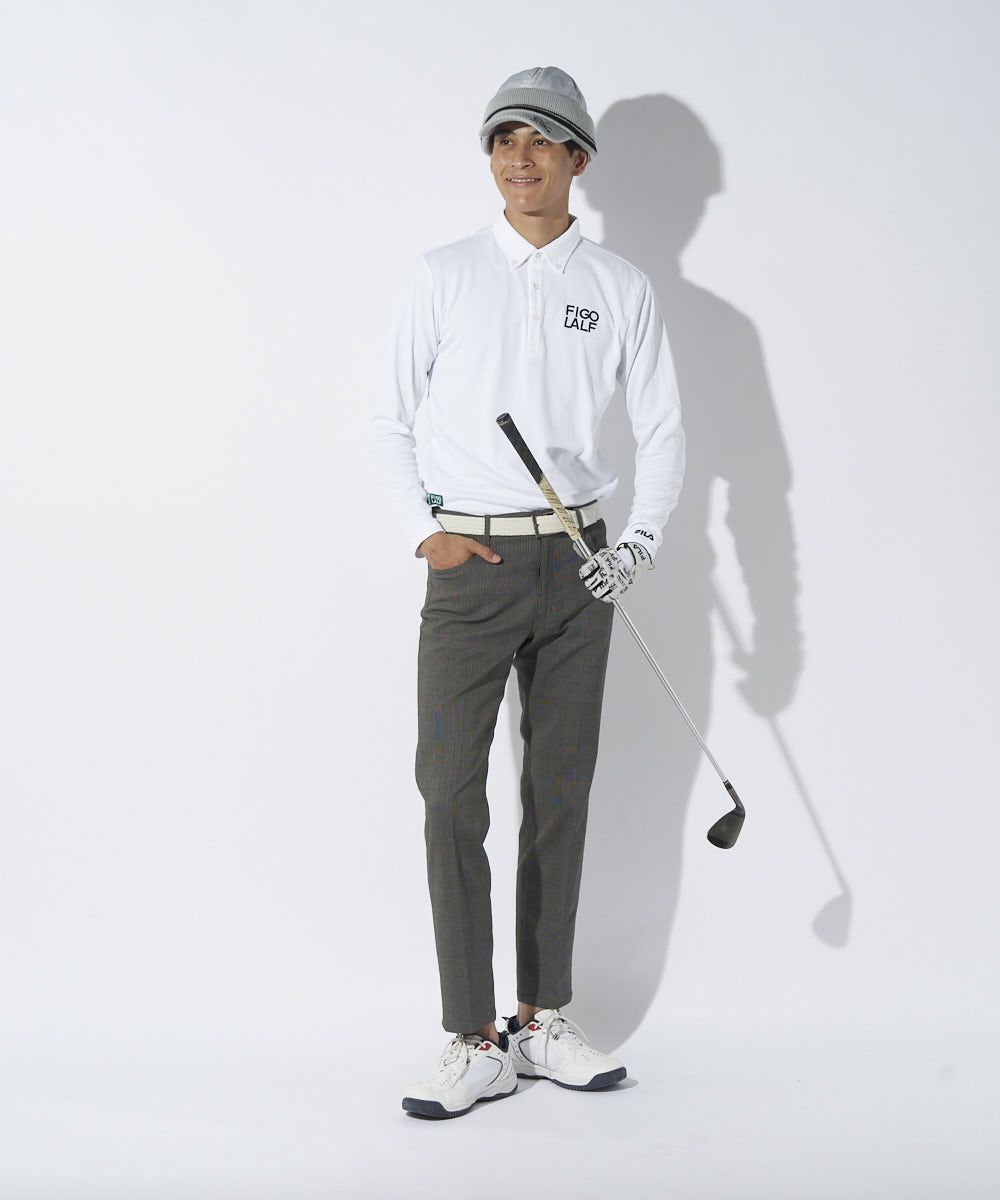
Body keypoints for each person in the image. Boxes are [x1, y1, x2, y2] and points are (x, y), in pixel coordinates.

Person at [368, 65, 685, 1119]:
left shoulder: (620, 287)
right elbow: (385, 420)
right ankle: (473, 1039)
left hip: (580, 565)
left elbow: (663, 431)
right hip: (473, 570)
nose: (520, 157)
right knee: (450, 794)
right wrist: (426, 535)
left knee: (559, 794)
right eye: (504, 139)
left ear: (577, 158)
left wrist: (635, 547)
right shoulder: (443, 274)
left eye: (542, 140)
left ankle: (542, 1019)